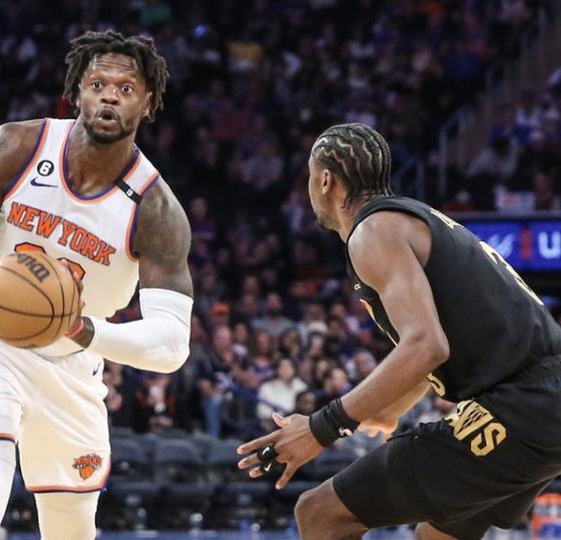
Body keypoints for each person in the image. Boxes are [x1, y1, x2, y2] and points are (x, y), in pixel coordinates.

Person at [0, 30, 193, 540]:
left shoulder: (156, 210)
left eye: (126, 87)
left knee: (70, 528)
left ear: (148, 102)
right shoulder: (16, 146)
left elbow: (172, 344)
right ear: (77, 92)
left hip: (71, 364)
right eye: (98, 83)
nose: (110, 95)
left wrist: (84, 331)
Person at [237, 123, 561, 540]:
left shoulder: (373, 232)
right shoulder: (409, 220)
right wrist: (388, 410)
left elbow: (426, 345)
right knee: (437, 535)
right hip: (539, 404)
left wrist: (323, 426)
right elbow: (436, 350)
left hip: (522, 405)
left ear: (325, 180)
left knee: (319, 513)